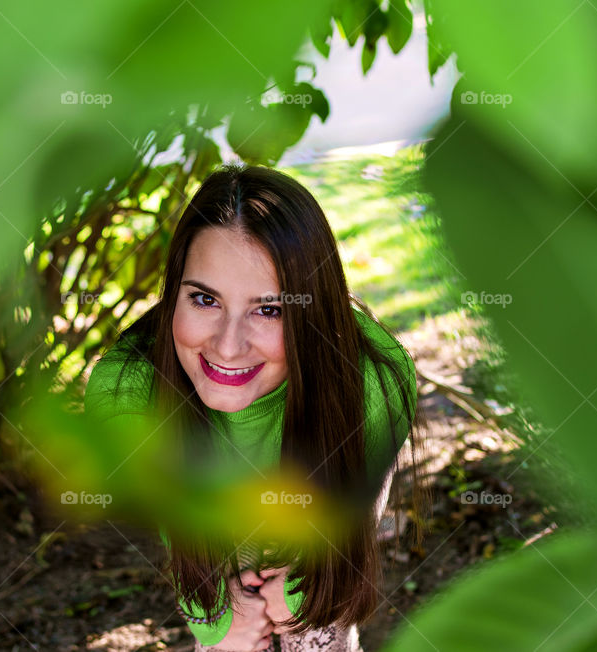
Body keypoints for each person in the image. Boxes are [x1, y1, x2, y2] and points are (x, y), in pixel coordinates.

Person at [84, 164, 419, 652]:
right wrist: (216, 618)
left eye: (270, 309)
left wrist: (307, 587)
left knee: (315, 628)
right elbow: (180, 528)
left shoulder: (372, 380)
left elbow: (350, 526)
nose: (227, 345)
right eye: (204, 299)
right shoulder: (126, 392)